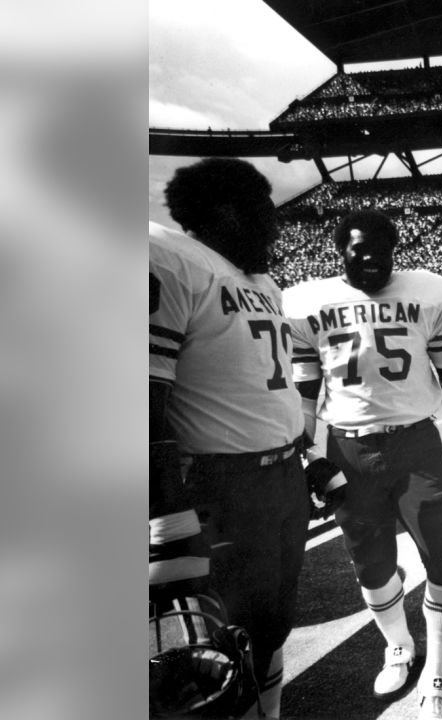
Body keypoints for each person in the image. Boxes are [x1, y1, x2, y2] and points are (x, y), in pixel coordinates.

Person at [283, 209, 442, 720]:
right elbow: (305, 393)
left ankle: (436, 676)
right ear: (340, 251)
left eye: (382, 253)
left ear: (397, 251)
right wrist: (307, 455)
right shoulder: (305, 303)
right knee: (370, 565)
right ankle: (398, 645)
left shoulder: (432, 292)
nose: (372, 262)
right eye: (359, 252)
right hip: (347, 449)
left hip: (416, 444)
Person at [149, 158, 309, 719]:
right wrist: (165, 519)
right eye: (265, 210)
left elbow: (266, 389)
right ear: (226, 214)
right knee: (220, 643)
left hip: (281, 477)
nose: (276, 223)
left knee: (271, 624)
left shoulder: (262, 282)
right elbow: (142, 399)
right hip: (223, 485)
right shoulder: (171, 259)